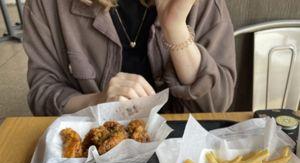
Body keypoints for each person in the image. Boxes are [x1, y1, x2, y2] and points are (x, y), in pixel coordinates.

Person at [23, 0, 236, 116]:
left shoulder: (204, 4)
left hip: (181, 151)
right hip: (91, 155)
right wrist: (98, 102)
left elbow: (215, 106)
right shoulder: (46, 5)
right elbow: (43, 96)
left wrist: (175, 28)